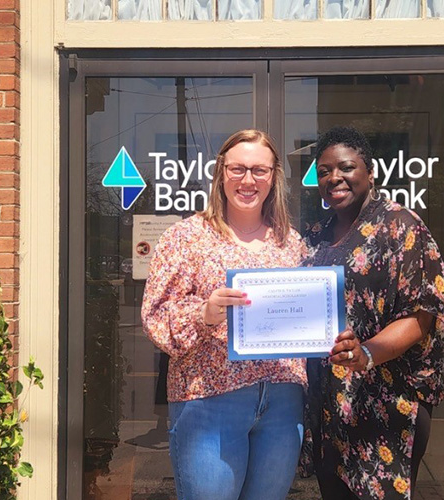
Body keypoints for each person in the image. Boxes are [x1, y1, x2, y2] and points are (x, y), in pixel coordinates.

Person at [141, 129, 307, 500]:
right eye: (238, 169)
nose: (248, 180)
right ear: (220, 173)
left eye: (260, 171)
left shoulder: (290, 242)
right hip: (209, 399)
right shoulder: (185, 237)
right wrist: (205, 313)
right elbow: (156, 317)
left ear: (274, 177)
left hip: (282, 401)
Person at [301, 126, 444, 500]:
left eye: (346, 167)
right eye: (324, 171)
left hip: (386, 404)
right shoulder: (317, 235)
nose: (334, 178)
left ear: (370, 172)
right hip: (330, 408)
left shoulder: (401, 226)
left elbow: (422, 314)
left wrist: (367, 353)